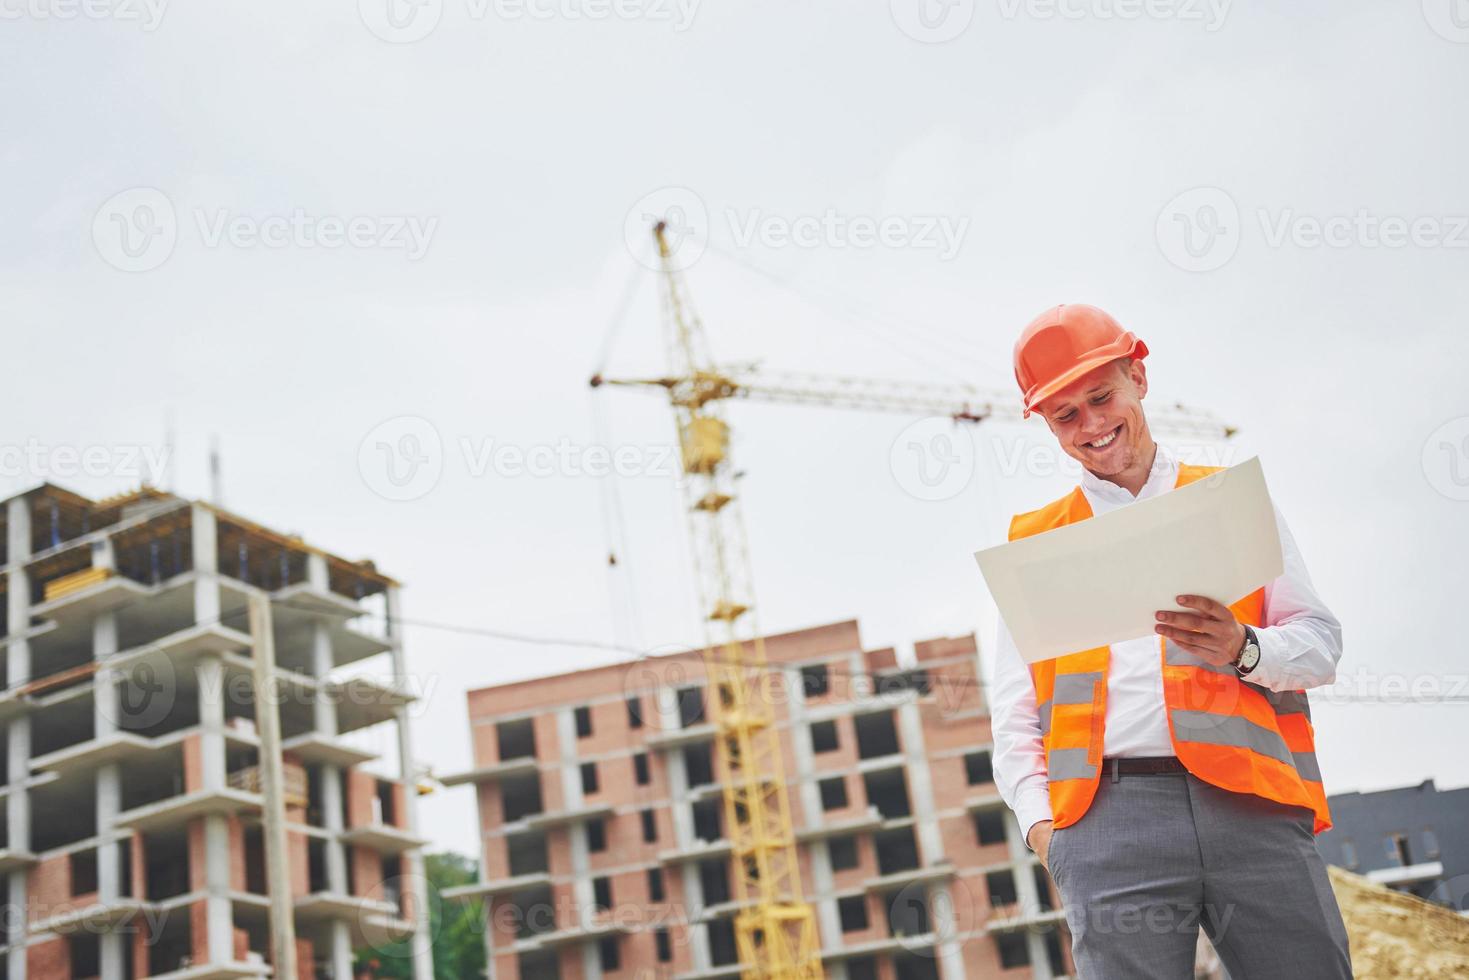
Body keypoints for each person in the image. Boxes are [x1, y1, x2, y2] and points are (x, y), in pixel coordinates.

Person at [990, 304, 1353, 979]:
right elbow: (1013, 715)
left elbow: (1320, 645)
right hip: (1107, 823)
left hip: (1251, 806)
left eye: (1102, 397)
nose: (1091, 425)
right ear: (1044, 423)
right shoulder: (1037, 545)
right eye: (1065, 415)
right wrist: (1047, 832)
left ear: (1138, 378)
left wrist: (1244, 647)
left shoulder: (1227, 504)